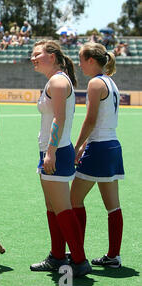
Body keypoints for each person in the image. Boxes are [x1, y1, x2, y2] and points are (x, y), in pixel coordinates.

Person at [29, 40, 91, 277]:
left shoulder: (57, 80)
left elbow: (59, 119)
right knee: (53, 206)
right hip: (52, 149)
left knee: (62, 208)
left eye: (38, 54)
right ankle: (57, 256)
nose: (33, 58)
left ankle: (79, 260)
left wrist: (51, 151)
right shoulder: (56, 79)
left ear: (52, 56)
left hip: (56, 150)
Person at [71, 42, 124, 268]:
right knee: (113, 206)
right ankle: (114, 256)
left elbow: (91, 120)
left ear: (91, 60)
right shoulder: (110, 82)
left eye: (81, 60)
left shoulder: (95, 83)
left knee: (73, 200)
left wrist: (77, 146)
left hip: (99, 148)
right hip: (113, 146)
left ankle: (77, 254)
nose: (79, 64)